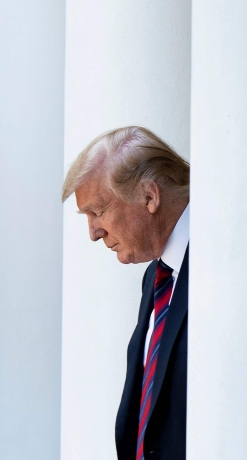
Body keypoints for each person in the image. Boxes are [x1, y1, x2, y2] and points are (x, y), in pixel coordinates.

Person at [62, 126, 190, 460]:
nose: (93, 232)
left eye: (98, 210)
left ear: (150, 196)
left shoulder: (218, 268)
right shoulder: (156, 276)